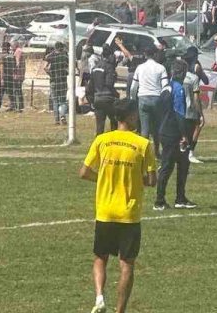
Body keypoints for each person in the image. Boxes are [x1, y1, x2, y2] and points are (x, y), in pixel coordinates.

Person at [80, 98, 157, 313]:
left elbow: (84, 172)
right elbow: (152, 180)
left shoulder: (102, 140)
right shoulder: (143, 144)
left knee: (100, 258)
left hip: (105, 210)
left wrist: (104, 177)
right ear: (131, 116)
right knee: (127, 264)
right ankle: (120, 311)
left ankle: (99, 298)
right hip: (129, 213)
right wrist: (133, 179)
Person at [153, 62, 196, 211]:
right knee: (167, 166)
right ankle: (159, 200)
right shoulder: (178, 89)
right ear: (183, 72)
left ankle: (180, 198)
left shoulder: (165, 87)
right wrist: (184, 134)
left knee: (183, 164)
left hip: (164, 130)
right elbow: (179, 113)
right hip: (173, 133)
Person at [129, 45, 168, 155]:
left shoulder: (140, 68)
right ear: (155, 54)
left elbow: (133, 87)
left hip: (143, 98)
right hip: (156, 98)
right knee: (157, 127)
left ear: (145, 55)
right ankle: (156, 151)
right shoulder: (161, 68)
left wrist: (133, 99)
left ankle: (143, 153)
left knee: (144, 129)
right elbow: (165, 86)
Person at [87, 50, 120, 136]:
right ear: (109, 56)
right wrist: (116, 94)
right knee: (114, 120)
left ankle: (98, 144)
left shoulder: (94, 68)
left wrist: (91, 100)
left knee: (100, 125)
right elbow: (109, 84)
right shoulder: (109, 67)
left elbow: (90, 87)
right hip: (108, 98)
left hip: (97, 98)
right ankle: (113, 140)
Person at [45, 40, 70, 125]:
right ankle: (63, 115)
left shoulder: (51, 56)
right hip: (62, 81)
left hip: (53, 81)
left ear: (55, 48)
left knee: (55, 101)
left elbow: (45, 67)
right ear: (62, 47)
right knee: (63, 100)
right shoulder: (65, 56)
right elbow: (68, 67)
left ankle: (56, 120)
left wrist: (50, 74)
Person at [0, 41, 18, 113]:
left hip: (4, 77)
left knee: (0, 93)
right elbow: (15, 67)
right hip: (10, 77)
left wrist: (1, 79)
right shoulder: (12, 56)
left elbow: (1, 68)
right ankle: (14, 107)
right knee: (11, 93)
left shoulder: (2, 56)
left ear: (3, 47)